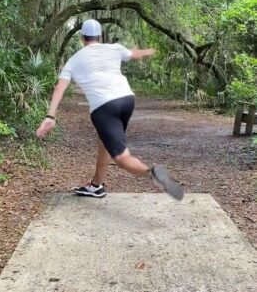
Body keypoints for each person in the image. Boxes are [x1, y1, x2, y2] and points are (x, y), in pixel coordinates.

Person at [36, 19, 184, 200]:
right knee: (104, 138)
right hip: (127, 99)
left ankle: (152, 174)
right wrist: (150, 51)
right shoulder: (114, 48)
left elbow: (60, 87)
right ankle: (96, 185)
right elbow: (134, 54)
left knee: (122, 157)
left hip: (104, 107)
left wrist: (50, 115)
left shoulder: (74, 60)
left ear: (83, 38)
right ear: (100, 36)